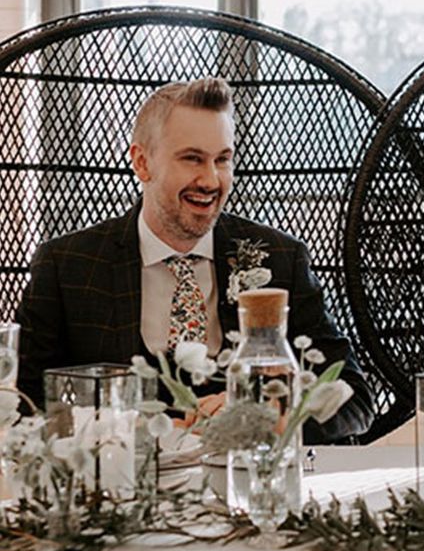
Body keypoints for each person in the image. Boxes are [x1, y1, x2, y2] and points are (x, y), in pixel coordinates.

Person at [16, 77, 374, 443]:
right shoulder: (66, 265)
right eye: (192, 159)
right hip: (121, 483)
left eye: (223, 160)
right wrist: (133, 432)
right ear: (142, 162)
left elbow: (356, 400)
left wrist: (274, 421)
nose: (211, 179)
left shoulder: (281, 258)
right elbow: (22, 407)